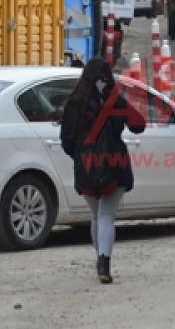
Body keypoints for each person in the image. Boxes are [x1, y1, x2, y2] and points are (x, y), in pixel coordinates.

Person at [60, 58, 146, 284]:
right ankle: (104, 262)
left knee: (97, 215)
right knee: (107, 215)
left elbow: (66, 140)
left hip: (86, 165)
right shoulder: (114, 100)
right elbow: (139, 124)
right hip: (114, 163)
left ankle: (100, 261)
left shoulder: (75, 102)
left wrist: (80, 156)